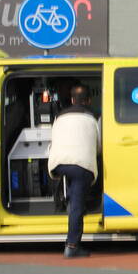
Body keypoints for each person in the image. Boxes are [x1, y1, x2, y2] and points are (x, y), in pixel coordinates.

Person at [46, 83, 101, 258]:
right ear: (89, 100)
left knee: (72, 190)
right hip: (81, 164)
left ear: (71, 100)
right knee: (77, 205)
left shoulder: (59, 116)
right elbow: (98, 147)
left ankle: (67, 199)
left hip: (58, 163)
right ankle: (72, 246)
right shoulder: (94, 116)